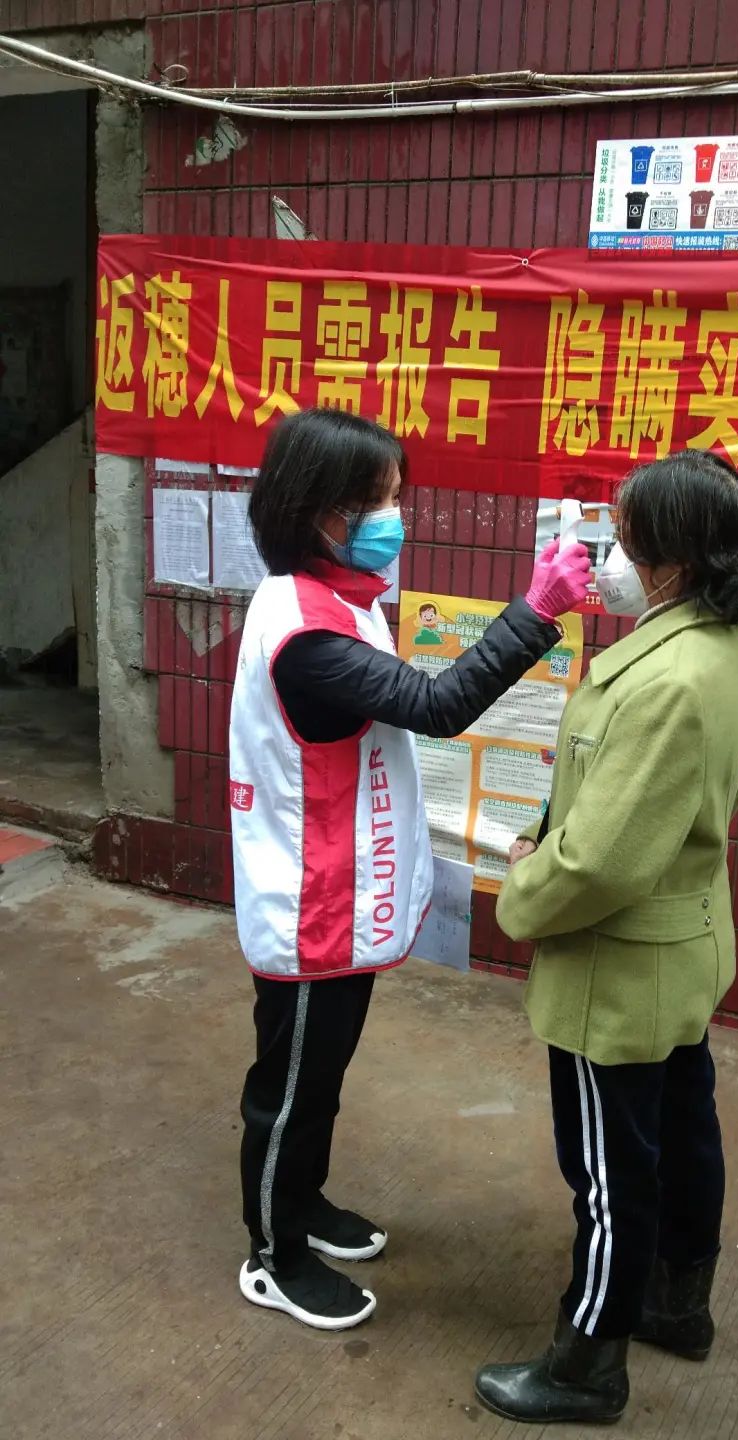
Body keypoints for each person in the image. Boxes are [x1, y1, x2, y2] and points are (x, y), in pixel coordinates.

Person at [229, 407, 590, 1332]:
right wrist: (538, 610)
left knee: (322, 1075)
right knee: (290, 1090)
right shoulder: (306, 633)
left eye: (396, 496)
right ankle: (273, 1253)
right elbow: (435, 706)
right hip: (307, 900)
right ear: (322, 512)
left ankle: (304, 1202)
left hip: (344, 885)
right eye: (379, 501)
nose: (396, 517)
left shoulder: (338, 592)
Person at [474, 449, 738, 1424]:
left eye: (622, 540)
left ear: (673, 561)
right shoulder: (718, 650)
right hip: (679, 948)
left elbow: (601, 864)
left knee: (610, 1172)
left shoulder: (669, 680)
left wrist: (523, 892)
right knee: (682, 1131)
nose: (607, 558)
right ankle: (678, 1304)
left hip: (621, 966)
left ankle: (587, 1364)